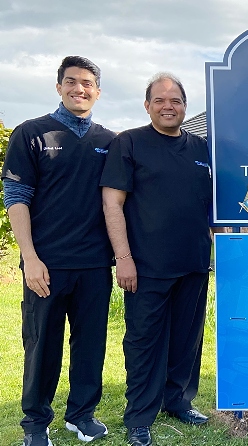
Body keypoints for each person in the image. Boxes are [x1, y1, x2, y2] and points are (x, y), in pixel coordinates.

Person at [2, 56, 114, 446]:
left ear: (98, 92)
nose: (78, 89)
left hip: (96, 265)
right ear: (59, 87)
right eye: (71, 82)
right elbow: (15, 196)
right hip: (45, 265)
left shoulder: (108, 141)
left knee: (90, 346)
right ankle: (35, 424)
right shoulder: (32, 133)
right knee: (41, 345)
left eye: (87, 83)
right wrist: (30, 258)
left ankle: (81, 415)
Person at [100, 73, 212, 446]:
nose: (169, 106)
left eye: (176, 100)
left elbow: (214, 205)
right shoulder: (129, 143)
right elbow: (112, 203)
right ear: (147, 105)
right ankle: (139, 417)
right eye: (160, 100)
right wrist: (124, 258)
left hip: (194, 262)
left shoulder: (201, 148)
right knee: (144, 341)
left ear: (185, 107)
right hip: (146, 266)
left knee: (186, 339)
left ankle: (178, 401)